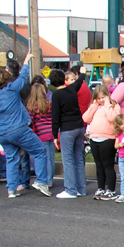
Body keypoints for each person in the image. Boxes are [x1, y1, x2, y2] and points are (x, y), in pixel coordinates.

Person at [0, 52, 51, 198]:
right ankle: (41, 181)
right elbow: (23, 77)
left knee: (12, 158)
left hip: (1, 132)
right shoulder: (11, 90)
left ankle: (11, 189)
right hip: (17, 128)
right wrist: (26, 61)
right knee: (40, 151)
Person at [51, 69, 86, 199]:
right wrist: (82, 72)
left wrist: (54, 135)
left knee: (68, 160)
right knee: (78, 158)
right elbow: (80, 80)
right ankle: (81, 188)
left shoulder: (56, 95)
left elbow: (55, 116)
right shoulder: (72, 89)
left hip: (67, 128)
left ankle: (71, 189)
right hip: (79, 126)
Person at [83, 85, 120, 200]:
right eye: (98, 98)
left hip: (108, 138)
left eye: (103, 97)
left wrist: (107, 104)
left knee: (108, 165)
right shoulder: (95, 107)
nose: (100, 100)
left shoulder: (113, 106)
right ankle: (100, 187)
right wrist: (94, 105)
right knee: (99, 165)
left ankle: (111, 189)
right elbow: (85, 118)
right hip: (94, 138)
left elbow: (112, 118)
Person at [27, 83, 55, 190]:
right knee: (50, 158)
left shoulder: (31, 107)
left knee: (43, 157)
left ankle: (45, 180)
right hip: (50, 132)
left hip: (40, 134)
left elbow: (30, 121)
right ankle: (50, 179)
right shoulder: (49, 104)